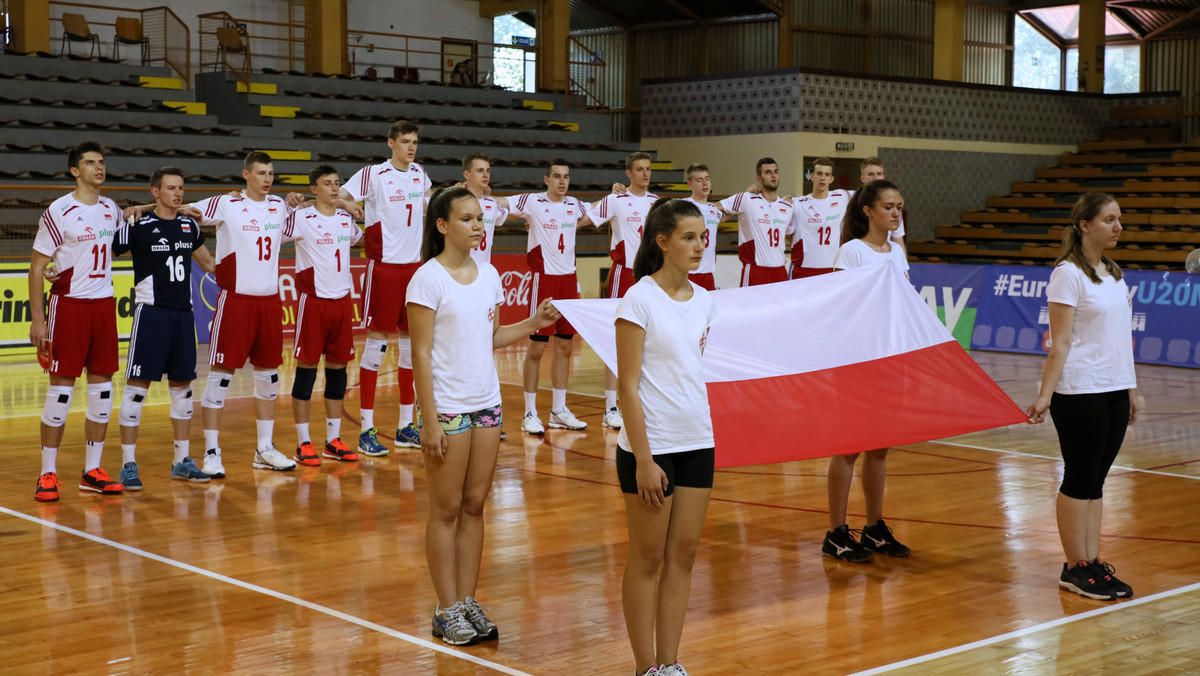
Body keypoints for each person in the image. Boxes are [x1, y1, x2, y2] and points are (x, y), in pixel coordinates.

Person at [407, 187, 561, 645]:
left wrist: (534, 323)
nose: (478, 226)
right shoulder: (427, 280)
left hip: (487, 405)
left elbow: (491, 336)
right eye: (467, 219)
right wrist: (429, 419)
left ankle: (467, 602)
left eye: (480, 219)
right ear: (442, 226)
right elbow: (419, 353)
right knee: (447, 508)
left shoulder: (490, 274)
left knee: (474, 507)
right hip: (448, 409)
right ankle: (446, 608)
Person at [615, 198, 717, 676]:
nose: (700, 246)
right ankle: (644, 668)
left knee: (685, 555)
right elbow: (627, 385)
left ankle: (669, 664)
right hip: (650, 450)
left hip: (698, 439)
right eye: (689, 237)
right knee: (648, 558)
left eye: (702, 237)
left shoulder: (705, 299)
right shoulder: (639, 298)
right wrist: (643, 459)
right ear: (663, 242)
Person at [1025, 192, 1138, 602]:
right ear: (1085, 225)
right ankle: (1075, 568)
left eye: (1119, 219)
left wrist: (1131, 388)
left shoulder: (1113, 272)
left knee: (1097, 481)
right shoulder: (1066, 274)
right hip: (1079, 390)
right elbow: (1060, 342)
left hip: (1113, 389)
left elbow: (1120, 338)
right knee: (1078, 479)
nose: (1118, 226)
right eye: (1110, 219)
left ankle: (1090, 563)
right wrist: (1044, 395)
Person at [29, 141, 125, 500]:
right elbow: (38, 267)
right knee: (61, 392)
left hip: (103, 307)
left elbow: (125, 221)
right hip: (68, 306)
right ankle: (47, 473)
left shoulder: (111, 209)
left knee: (102, 392)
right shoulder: (59, 211)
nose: (99, 168)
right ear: (75, 171)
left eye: (101, 162)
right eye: (90, 163)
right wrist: (39, 320)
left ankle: (92, 471)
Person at [191, 152, 296, 476]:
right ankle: (211, 452)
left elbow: (313, 213)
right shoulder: (226, 204)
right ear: (246, 175)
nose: (267, 179)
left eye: (271, 173)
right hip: (236, 301)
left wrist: (299, 202)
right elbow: (184, 214)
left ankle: (264, 449)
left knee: (269, 379)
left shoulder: (279, 207)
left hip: (268, 303)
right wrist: (207, 262)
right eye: (261, 173)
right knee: (221, 378)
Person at [822, 180, 911, 563]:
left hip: (891, 359)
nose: (896, 212)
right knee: (847, 450)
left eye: (899, 206)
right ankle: (836, 532)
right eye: (889, 206)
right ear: (868, 211)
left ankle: (874, 527)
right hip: (858, 362)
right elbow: (843, 308)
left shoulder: (898, 252)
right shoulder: (852, 252)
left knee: (879, 450)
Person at [113, 167, 215, 487]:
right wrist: (135, 211)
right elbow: (111, 249)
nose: (178, 193)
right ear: (155, 192)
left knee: (182, 392)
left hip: (183, 316)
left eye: (181, 188)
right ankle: (128, 464)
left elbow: (209, 264)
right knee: (135, 391)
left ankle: (181, 460)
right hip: (152, 315)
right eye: (171, 188)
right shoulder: (139, 224)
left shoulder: (188, 224)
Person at [340, 120, 433, 456]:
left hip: (414, 269)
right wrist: (350, 206)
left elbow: (425, 203)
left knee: (411, 351)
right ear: (390, 143)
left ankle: (406, 426)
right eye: (406, 141)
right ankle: (366, 430)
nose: (411, 147)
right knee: (377, 348)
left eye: (415, 142)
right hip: (383, 268)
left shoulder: (420, 174)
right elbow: (340, 195)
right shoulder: (373, 174)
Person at [507, 159, 594, 435]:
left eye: (566, 177)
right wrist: (480, 192)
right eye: (556, 176)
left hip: (569, 280)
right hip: (543, 280)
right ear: (546, 179)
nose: (562, 181)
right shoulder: (532, 201)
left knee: (565, 347)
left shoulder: (575, 204)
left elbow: (595, 215)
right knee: (536, 348)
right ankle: (529, 413)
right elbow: (501, 204)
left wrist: (618, 192)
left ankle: (558, 411)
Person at [288, 165, 364, 467]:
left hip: (342, 302)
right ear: (314, 188)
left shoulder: (346, 219)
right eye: (326, 184)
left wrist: (348, 205)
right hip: (314, 302)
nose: (334, 189)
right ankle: (303, 442)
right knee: (306, 371)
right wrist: (296, 202)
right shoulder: (302, 218)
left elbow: (358, 236)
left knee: (338, 371)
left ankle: (333, 440)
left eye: (337, 184)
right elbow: (275, 224)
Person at [589, 151, 660, 431]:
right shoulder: (616, 200)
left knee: (650, 339)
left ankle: (643, 401)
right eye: (640, 169)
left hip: (652, 275)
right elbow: (585, 217)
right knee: (615, 340)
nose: (645, 174)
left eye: (649, 169)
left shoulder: (657, 203)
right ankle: (610, 407)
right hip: (624, 273)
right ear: (628, 173)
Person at [719, 158, 794, 287]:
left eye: (776, 171)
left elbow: (789, 234)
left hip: (780, 271)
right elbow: (716, 208)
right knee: (750, 307)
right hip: (756, 270)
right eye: (768, 172)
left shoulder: (787, 206)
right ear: (759, 178)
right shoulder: (747, 198)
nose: (773, 175)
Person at [790, 157, 852, 279]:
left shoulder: (842, 196)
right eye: (819, 174)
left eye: (827, 174)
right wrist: (757, 192)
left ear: (831, 179)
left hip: (832, 269)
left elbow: (868, 193)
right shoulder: (797, 203)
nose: (822, 178)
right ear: (811, 176)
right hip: (804, 270)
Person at [678, 163, 722, 292]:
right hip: (689, 274)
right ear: (689, 184)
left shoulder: (714, 210)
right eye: (699, 180)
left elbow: (728, 212)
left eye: (707, 179)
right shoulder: (683, 206)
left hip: (708, 276)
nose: (704, 183)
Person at [461, 152, 509, 266]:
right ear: (467, 175)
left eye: (488, 170)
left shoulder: (492, 203)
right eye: (480, 171)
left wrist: (531, 220)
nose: (485, 175)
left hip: (483, 270)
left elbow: (507, 215)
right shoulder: (457, 202)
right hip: (460, 269)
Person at [859, 157, 906, 248]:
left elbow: (899, 242)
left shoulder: (894, 206)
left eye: (879, 174)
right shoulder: (849, 200)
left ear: (883, 177)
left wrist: (903, 262)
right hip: (858, 256)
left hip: (883, 256)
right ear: (862, 178)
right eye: (871, 174)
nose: (875, 178)